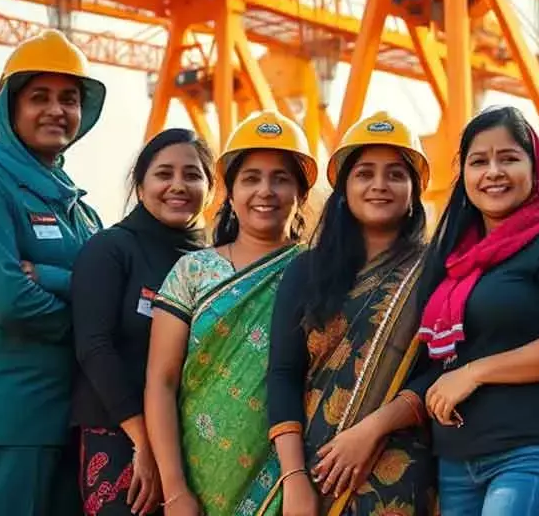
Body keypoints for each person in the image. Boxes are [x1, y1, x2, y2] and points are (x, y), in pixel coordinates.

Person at [406, 105, 539, 516]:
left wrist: (473, 373)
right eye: (479, 162)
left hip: (530, 450)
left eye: (508, 158)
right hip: (457, 459)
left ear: (535, 168)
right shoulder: (455, 256)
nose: (493, 172)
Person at [0, 28, 106, 515]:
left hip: (75, 423)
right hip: (9, 422)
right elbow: (10, 301)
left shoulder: (82, 211)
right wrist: (93, 330)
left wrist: (56, 281)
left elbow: (111, 295)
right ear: (9, 107)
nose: (56, 110)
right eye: (40, 97)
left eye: (69, 99)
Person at [144, 110, 316, 516]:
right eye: (251, 178)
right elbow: (161, 381)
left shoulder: (318, 271)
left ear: (301, 194)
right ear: (231, 193)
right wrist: (175, 489)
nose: (265, 191)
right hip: (198, 472)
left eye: (280, 179)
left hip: (290, 475)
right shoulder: (193, 270)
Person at [266, 111, 437, 516]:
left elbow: (444, 369)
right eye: (364, 173)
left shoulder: (435, 271)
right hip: (315, 464)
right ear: (343, 188)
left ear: (414, 191)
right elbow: (283, 374)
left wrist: (373, 428)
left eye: (396, 174)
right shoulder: (306, 270)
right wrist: (294, 478)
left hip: (402, 464)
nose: (379, 185)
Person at [71, 128, 215, 515]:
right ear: (140, 186)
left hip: (198, 441)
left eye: (192, 175)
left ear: (210, 189)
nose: (178, 185)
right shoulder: (111, 250)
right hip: (120, 436)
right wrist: (144, 441)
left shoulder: (215, 263)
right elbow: (93, 347)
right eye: (164, 174)